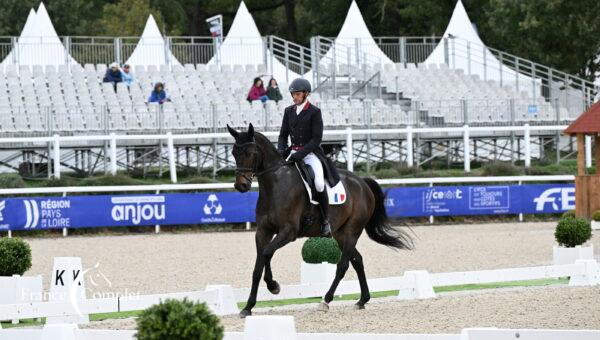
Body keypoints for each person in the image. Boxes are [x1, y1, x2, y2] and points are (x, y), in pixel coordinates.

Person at [278, 78, 338, 238]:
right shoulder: (288, 111)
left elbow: (316, 139)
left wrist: (300, 154)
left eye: (297, 94)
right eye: (293, 94)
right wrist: (281, 149)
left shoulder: (314, 112)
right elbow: (283, 135)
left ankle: (326, 221)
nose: (294, 97)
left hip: (310, 154)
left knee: (318, 183)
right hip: (293, 153)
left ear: (306, 94)